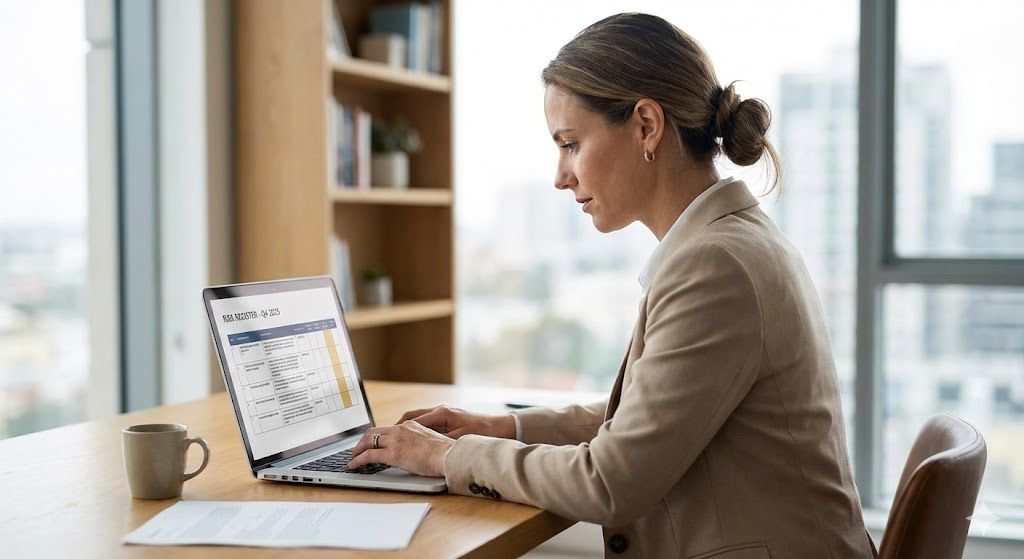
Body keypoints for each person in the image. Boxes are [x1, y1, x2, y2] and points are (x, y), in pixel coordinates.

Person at [348, 12, 875, 558]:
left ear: (647, 125)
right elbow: (646, 418)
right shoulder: (729, 243)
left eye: (571, 144)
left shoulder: (716, 266)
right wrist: (502, 427)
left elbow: (610, 482)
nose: (560, 175)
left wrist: (443, 457)